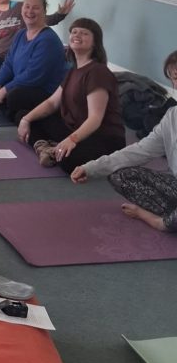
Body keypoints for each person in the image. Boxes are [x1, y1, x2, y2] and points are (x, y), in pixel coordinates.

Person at [71, 51, 177, 232]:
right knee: (121, 175)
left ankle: (161, 221)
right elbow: (139, 151)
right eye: (175, 77)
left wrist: (153, 219)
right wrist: (91, 168)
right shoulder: (172, 116)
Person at [16, 18, 125, 172]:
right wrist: (26, 119)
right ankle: (47, 149)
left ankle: (54, 149)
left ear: (95, 42)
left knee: (68, 162)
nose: (77, 35)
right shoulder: (73, 71)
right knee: (26, 116)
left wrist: (71, 140)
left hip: (103, 137)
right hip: (76, 129)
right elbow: (52, 103)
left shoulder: (98, 72)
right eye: (74, 32)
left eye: (84, 33)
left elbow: (95, 119)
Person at [0, 0, 68, 122]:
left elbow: (33, 76)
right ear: (22, 10)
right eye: (27, 7)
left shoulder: (48, 40)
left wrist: (6, 89)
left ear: (44, 12)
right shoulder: (21, 33)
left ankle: (15, 113)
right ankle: (14, 113)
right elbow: (9, 63)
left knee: (14, 96)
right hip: (22, 82)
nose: (30, 11)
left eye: (36, 8)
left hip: (43, 90)